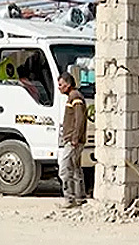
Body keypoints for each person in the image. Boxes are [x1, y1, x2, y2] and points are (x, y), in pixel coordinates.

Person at [57, 71, 88, 208]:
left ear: (68, 84)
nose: (59, 87)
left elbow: (79, 119)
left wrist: (75, 138)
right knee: (76, 169)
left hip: (73, 141)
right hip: (73, 140)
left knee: (64, 169)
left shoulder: (75, 97)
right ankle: (80, 198)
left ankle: (69, 198)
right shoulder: (73, 96)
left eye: (61, 84)